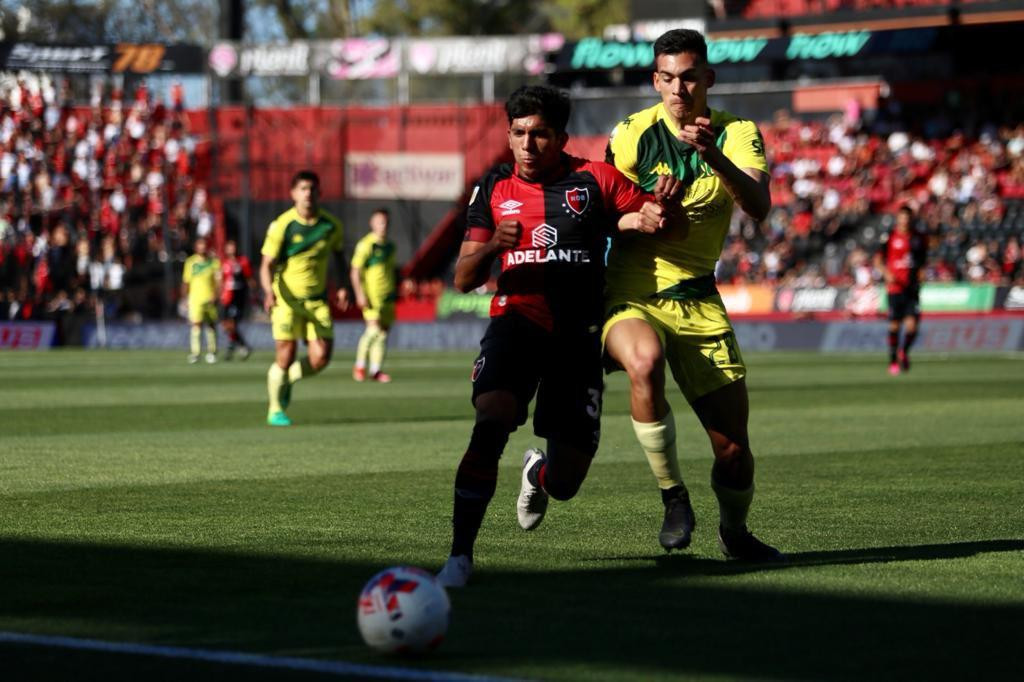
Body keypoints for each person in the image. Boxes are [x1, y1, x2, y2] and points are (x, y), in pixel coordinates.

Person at [436, 85, 679, 587]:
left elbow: (637, 215)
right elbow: (463, 277)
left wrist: (652, 215)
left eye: (539, 134)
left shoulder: (594, 179)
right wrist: (491, 250)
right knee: (493, 418)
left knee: (565, 484)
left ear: (561, 137)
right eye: (519, 133)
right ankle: (460, 555)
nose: (528, 144)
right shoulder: (494, 187)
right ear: (507, 135)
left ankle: (538, 474)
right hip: (515, 325)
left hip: (577, 336)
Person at [603, 28, 781, 560]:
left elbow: (758, 206)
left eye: (688, 78)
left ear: (707, 79)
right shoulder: (632, 134)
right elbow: (600, 213)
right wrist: (639, 216)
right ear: (655, 81)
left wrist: (716, 159)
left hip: (698, 297)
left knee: (733, 450)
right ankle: (673, 496)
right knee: (645, 360)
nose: (678, 89)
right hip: (632, 290)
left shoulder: (737, 132)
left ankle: (735, 533)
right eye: (667, 79)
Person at [259, 170, 349, 426]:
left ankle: (287, 380)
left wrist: (342, 286)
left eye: (312, 189)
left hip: (317, 300)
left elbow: (339, 256)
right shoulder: (283, 225)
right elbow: (266, 264)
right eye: (302, 189)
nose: (307, 193)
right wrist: (267, 291)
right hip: (286, 300)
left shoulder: (331, 225)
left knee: (321, 359)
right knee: (285, 355)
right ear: (293, 194)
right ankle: (275, 410)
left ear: (319, 193)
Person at [875, 205, 927, 374]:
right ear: (898, 219)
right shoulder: (889, 236)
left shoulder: (918, 238)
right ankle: (892, 361)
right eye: (902, 217)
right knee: (895, 325)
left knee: (912, 326)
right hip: (895, 287)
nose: (905, 221)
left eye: (908, 218)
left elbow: (922, 261)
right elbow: (877, 261)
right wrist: (886, 273)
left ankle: (903, 351)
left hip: (912, 287)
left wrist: (921, 273)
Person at [350, 208, 398, 383]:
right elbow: (355, 272)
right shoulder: (366, 245)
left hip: (387, 296)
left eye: (385, 222)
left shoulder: (390, 246)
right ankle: (360, 365)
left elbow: (390, 271)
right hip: (372, 296)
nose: (383, 226)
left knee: (383, 334)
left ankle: (376, 370)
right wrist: (360, 294)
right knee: (373, 330)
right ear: (372, 224)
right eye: (379, 222)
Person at [181, 237, 221, 364]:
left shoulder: (214, 262)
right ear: (196, 247)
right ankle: (195, 353)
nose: (202, 247)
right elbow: (186, 282)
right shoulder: (190, 262)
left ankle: (212, 352)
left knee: (211, 325)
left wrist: (216, 295)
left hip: (210, 298)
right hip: (195, 298)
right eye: (200, 245)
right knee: (196, 324)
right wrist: (185, 298)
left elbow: (219, 282)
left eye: (204, 245)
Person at [219, 238, 254, 360]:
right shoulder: (224, 263)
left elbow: (250, 278)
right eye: (229, 247)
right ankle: (239, 345)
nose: (231, 249)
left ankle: (236, 346)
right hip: (226, 297)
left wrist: (253, 292)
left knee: (232, 323)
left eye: (233, 246)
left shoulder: (242, 261)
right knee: (225, 324)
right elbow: (222, 280)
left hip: (238, 297)